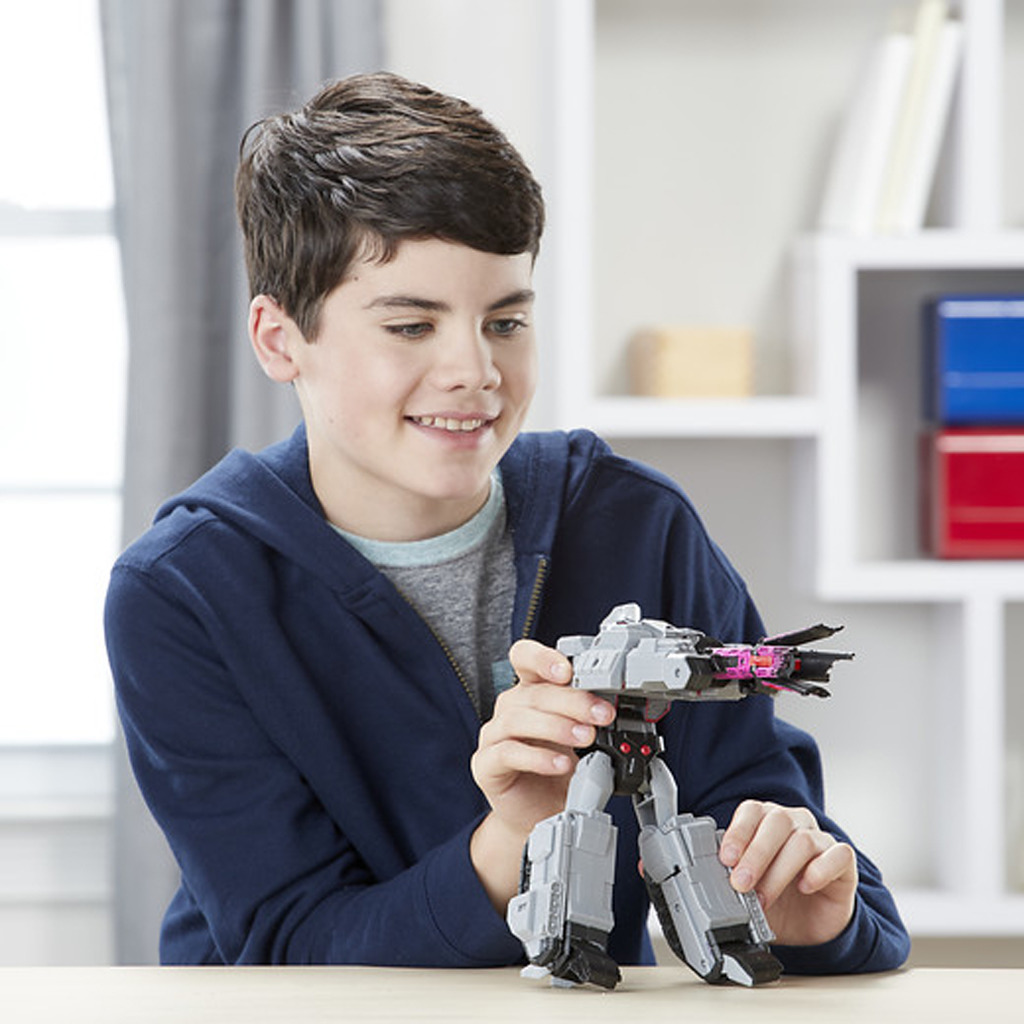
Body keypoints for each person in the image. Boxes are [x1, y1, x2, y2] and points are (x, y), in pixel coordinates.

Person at [104, 71, 910, 972]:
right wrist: (512, 835)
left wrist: (806, 918)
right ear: (279, 338)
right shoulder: (182, 592)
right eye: (411, 326)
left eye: (506, 321)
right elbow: (291, 947)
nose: (475, 371)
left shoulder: (640, 527)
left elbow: (809, 867)